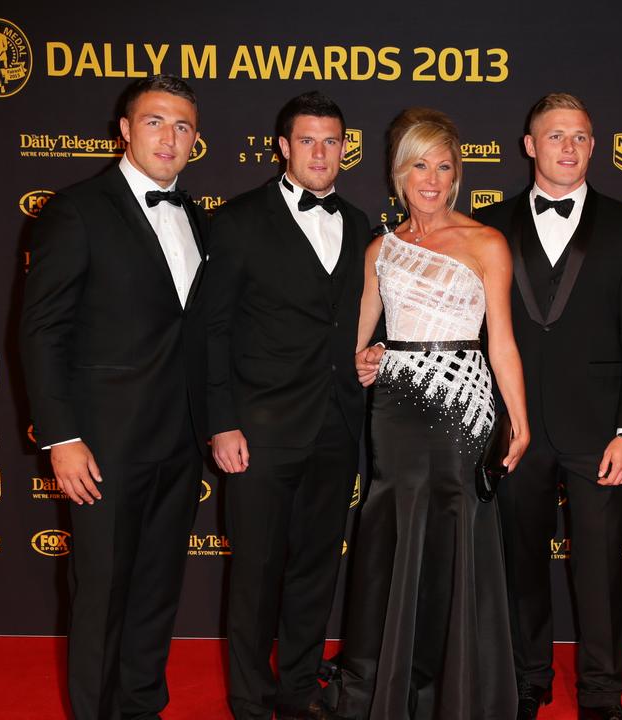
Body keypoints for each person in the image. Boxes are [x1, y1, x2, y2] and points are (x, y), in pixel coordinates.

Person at [19, 74, 208, 719]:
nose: (170, 136)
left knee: (156, 592)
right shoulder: (76, 210)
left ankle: (141, 707)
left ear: (194, 141)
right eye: (155, 121)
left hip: (180, 442)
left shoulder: (200, 219)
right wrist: (61, 438)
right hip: (103, 446)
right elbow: (41, 332)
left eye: (182, 126)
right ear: (125, 130)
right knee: (101, 596)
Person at [336, 107, 530, 719]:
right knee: (398, 536)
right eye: (420, 163)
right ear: (399, 171)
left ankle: (462, 693)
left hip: (464, 407)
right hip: (395, 409)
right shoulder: (380, 250)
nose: (432, 177)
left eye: (444, 166)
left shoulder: (485, 241)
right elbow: (356, 342)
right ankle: (391, 690)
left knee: (458, 534)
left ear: (457, 175)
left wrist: (518, 419)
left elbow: (501, 339)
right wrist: (366, 358)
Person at [472, 93, 622, 720]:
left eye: (580, 136)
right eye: (555, 137)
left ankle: (603, 693)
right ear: (529, 145)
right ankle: (527, 679)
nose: (569, 148)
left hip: (601, 429)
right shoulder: (488, 224)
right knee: (519, 562)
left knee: (600, 569)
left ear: (593, 144)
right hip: (514, 427)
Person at [205, 91, 371, 720]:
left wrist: (373, 352)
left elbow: (366, 318)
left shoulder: (361, 226)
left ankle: (298, 688)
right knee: (254, 573)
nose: (321, 153)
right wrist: (221, 422)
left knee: (315, 569)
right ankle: (249, 701)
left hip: (336, 424)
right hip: (260, 429)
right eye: (308, 141)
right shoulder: (240, 219)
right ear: (282, 148)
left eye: (332, 141)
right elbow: (212, 330)